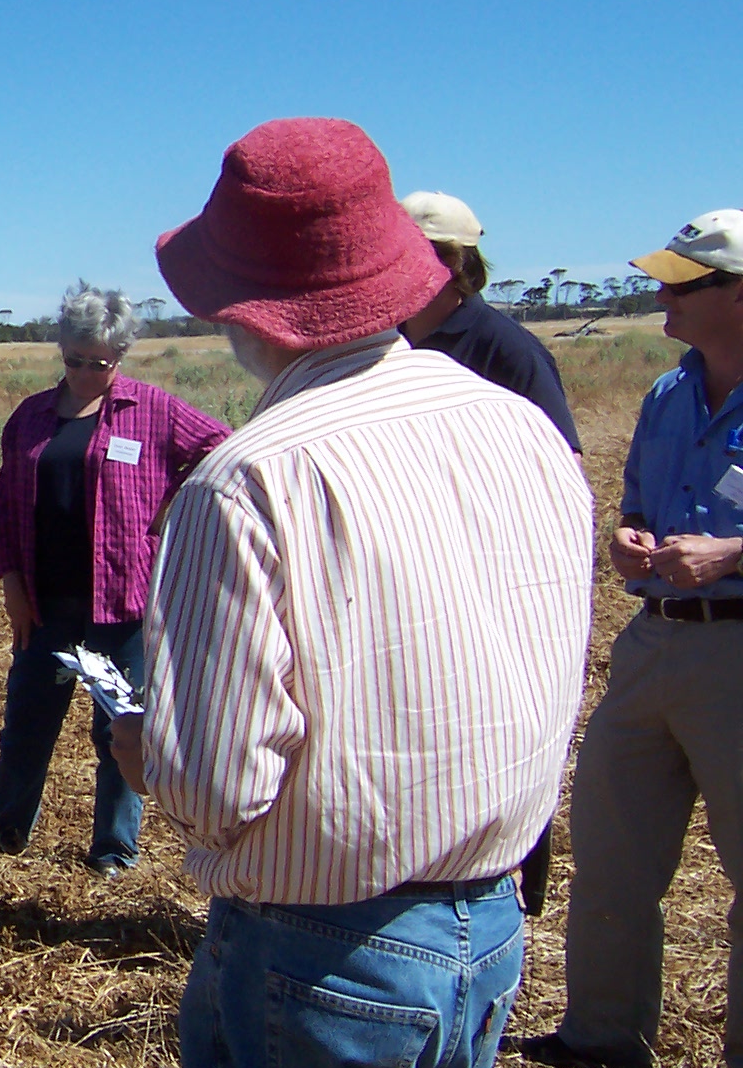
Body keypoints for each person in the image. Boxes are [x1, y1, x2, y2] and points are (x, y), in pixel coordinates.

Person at [110, 119, 594, 1067]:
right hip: (495, 929)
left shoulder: (246, 480)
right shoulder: (524, 429)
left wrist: (146, 752)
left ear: (242, 308)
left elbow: (215, 788)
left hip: (320, 956)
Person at [523, 211, 743, 1068]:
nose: (663, 295)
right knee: (612, 858)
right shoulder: (666, 391)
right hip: (651, 646)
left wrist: (730, 551)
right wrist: (629, 535)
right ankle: (602, 1040)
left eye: (684, 283)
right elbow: (639, 505)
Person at [0, 284, 227, 874]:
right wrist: (11, 580)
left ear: (120, 356)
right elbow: (6, 504)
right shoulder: (31, 416)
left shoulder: (153, 409)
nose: (87, 372)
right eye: (75, 360)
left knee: (121, 730)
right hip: (45, 604)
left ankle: (114, 850)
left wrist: (175, 510)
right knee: (27, 724)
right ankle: (7, 833)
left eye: (101, 362)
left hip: (122, 601)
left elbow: (222, 446)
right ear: (60, 351)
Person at [399, 189, 585, 919]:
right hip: (413, 578)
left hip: (491, 582)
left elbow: (559, 470)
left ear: (448, 261)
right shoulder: (391, 342)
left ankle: (506, 895)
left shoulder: (505, 351)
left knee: (500, 733)